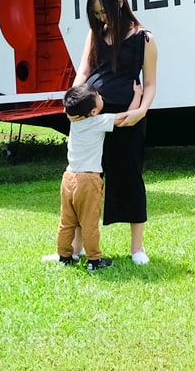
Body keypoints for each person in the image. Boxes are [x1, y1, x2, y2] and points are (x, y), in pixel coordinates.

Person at [73, 0, 157, 265]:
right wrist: (73, 102)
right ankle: (76, 246)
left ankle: (137, 247)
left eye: (103, 12)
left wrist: (141, 111)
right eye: (95, 13)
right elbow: (83, 73)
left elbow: (150, 84)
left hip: (128, 118)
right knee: (86, 179)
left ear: (119, 4)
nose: (100, 18)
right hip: (93, 118)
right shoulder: (94, 35)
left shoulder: (144, 38)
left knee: (131, 177)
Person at [53, 83, 118, 271]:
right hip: (88, 180)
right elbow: (127, 120)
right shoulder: (98, 121)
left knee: (66, 222)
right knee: (89, 223)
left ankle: (65, 256)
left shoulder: (74, 120)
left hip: (68, 177)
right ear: (93, 111)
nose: (100, 95)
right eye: (98, 95)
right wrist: (141, 101)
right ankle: (94, 260)